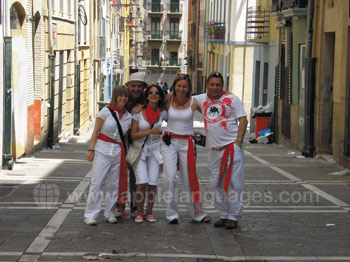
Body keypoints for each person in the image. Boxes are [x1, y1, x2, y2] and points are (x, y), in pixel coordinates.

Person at [194, 72, 248, 229]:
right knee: (215, 183)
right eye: (212, 84)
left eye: (218, 85)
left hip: (232, 147)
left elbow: (243, 120)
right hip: (214, 150)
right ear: (207, 85)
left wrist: (238, 142)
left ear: (222, 86)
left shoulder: (232, 99)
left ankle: (234, 216)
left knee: (234, 184)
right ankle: (223, 214)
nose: (214, 87)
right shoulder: (201, 99)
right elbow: (181, 102)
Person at [161, 74, 211, 224]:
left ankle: (197, 213)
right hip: (169, 142)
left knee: (189, 179)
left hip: (187, 144)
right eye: (179, 86)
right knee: (169, 178)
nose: (181, 89)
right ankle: (172, 214)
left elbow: (210, 115)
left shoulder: (194, 102)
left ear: (189, 88)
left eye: (184, 86)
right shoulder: (168, 99)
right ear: (174, 86)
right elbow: (156, 112)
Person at [84, 85, 132, 226]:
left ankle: (110, 212)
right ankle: (90, 214)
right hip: (102, 149)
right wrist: (91, 149)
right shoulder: (105, 112)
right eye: (120, 95)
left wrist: (127, 155)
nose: (123, 98)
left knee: (114, 184)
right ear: (115, 96)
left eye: (125, 96)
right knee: (97, 182)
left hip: (118, 151)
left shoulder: (129, 117)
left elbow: (126, 138)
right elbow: (96, 132)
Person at [131, 84, 167, 223]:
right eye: (151, 93)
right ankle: (139, 212)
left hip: (155, 151)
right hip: (140, 150)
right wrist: (150, 132)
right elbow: (133, 135)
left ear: (159, 96)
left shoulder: (162, 113)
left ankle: (149, 212)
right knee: (142, 182)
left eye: (156, 93)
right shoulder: (138, 113)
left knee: (152, 183)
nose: (153, 95)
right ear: (147, 96)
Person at [116, 72, 149, 218]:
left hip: (138, 145)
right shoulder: (121, 101)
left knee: (137, 178)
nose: (136, 89)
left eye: (139, 86)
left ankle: (136, 207)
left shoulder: (146, 103)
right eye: (133, 86)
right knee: (118, 176)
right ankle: (119, 205)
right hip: (119, 144)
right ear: (127, 86)